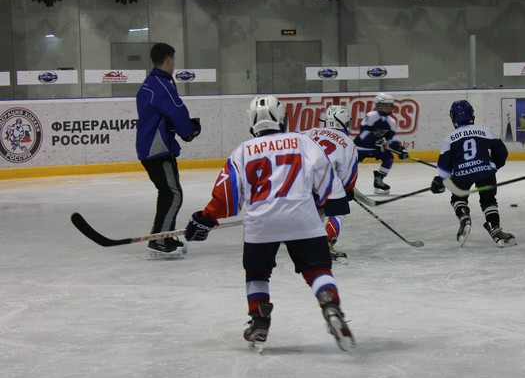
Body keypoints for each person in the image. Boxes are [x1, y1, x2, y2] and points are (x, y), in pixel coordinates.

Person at [183, 95, 355, 352]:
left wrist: (206, 218)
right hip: (303, 217)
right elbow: (326, 178)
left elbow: (228, 195)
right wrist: (326, 204)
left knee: (257, 274)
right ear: (283, 118)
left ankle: (259, 320)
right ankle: (329, 302)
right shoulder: (303, 142)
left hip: (261, 224)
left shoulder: (242, 151)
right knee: (317, 269)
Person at [136, 42, 201, 259]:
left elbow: (160, 117)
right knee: (172, 194)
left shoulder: (151, 83)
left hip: (152, 147)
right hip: (158, 149)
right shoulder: (160, 84)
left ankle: (166, 236)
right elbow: (177, 111)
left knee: (169, 192)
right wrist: (189, 131)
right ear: (169, 60)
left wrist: (177, 128)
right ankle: (160, 239)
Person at [430, 100, 516, 247]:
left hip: (462, 174)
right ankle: (495, 228)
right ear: (472, 114)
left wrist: (440, 180)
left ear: (453, 118)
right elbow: (502, 152)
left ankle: (464, 216)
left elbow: (444, 166)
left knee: (458, 196)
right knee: (488, 200)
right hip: (485, 172)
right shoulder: (485, 131)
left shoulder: (450, 138)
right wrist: (494, 165)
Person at [304, 105, 359, 263]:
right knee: (339, 211)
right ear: (343, 122)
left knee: (315, 210)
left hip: (301, 177)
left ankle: (305, 241)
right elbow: (348, 174)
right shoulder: (348, 143)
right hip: (326, 179)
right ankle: (326, 245)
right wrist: (347, 190)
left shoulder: (312, 131)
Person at [353, 93, 409, 195]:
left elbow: (391, 139)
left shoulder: (391, 122)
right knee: (351, 164)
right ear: (377, 105)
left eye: (389, 105)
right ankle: (345, 182)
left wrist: (400, 149)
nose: (387, 108)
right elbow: (363, 135)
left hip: (376, 148)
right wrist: (377, 142)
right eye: (384, 105)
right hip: (360, 147)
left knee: (389, 158)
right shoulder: (371, 116)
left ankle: (379, 180)